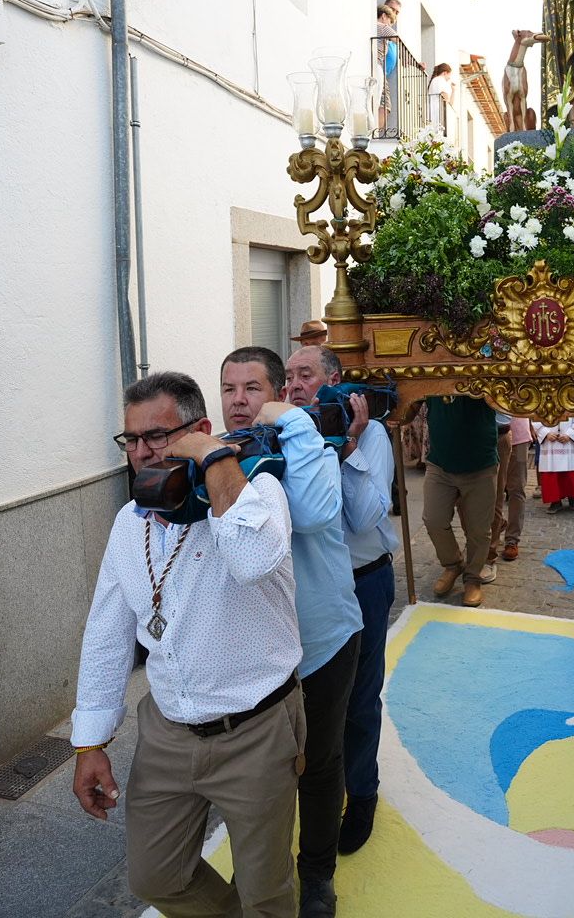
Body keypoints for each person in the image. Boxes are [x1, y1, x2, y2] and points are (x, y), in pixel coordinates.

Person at [71, 374, 304, 918]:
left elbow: (251, 558)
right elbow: (107, 631)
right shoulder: (129, 522)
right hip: (167, 732)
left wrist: (215, 458)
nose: (141, 452)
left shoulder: (258, 490)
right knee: (156, 878)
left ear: (200, 430)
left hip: (256, 731)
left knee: (265, 892)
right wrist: (90, 742)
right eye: (131, 439)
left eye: (156, 436)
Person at [220, 348, 362, 917]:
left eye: (252, 388)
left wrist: (295, 423)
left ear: (278, 395)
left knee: (320, 765)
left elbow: (314, 513)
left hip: (324, 642)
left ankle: (318, 875)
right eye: (229, 388)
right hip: (260, 653)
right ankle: (264, 870)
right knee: (261, 774)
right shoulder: (222, 460)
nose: (239, 400)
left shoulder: (312, 448)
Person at [282, 347, 397, 857]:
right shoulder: (286, 434)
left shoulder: (372, 435)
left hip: (364, 581)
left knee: (359, 700)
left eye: (305, 375)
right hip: (313, 588)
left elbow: (366, 518)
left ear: (334, 379)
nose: (294, 385)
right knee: (312, 702)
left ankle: (362, 793)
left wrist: (347, 445)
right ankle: (314, 788)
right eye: (288, 376)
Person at [423, 395, 500, 608]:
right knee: (433, 519)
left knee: (479, 529)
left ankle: (473, 578)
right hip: (440, 462)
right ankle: (453, 564)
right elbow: (410, 400)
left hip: (480, 463)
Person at [490, 414, 532, 562]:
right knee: (494, 490)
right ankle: (497, 525)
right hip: (494, 435)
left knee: (517, 488)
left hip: (520, 439)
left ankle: (512, 540)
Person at [533, 415, 574, 512]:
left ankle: (572, 497)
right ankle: (555, 501)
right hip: (549, 441)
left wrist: (570, 434)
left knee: (571, 472)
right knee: (551, 471)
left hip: (569, 441)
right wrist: (546, 433)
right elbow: (537, 415)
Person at [375, 6, 398, 134]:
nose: (389, 26)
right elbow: (398, 40)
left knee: (379, 101)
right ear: (383, 16)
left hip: (375, 67)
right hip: (377, 67)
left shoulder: (371, 27)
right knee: (384, 104)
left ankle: (374, 132)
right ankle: (376, 133)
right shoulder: (382, 27)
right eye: (390, 22)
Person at [427, 63, 453, 131]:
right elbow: (446, 97)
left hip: (433, 111)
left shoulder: (435, 80)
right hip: (438, 113)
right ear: (445, 73)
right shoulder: (440, 80)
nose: (449, 78)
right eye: (449, 75)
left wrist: (453, 91)